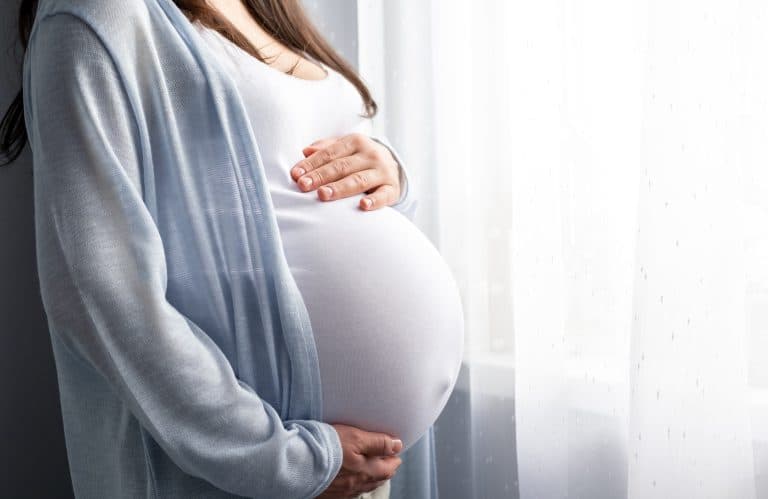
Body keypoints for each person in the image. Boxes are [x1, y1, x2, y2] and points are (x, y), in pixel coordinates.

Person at [0, 0, 445, 497]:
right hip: (251, 469)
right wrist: (285, 461)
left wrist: (387, 169)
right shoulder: (99, 14)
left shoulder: (267, 6)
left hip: (351, 467)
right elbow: (99, 294)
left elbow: (298, 167)